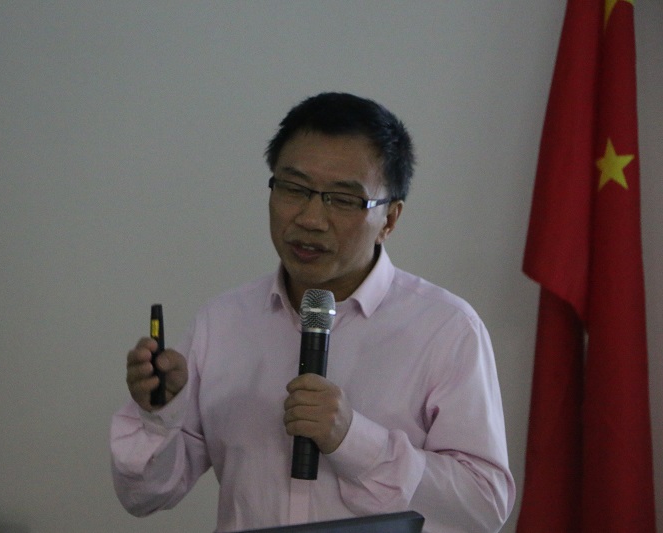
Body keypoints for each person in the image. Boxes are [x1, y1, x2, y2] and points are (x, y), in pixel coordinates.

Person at [111, 92, 515, 532]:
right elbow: (144, 497)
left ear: (390, 219)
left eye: (342, 199)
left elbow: (483, 507)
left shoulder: (446, 329)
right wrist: (159, 414)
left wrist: (354, 440)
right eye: (294, 189)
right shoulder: (222, 323)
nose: (310, 218)